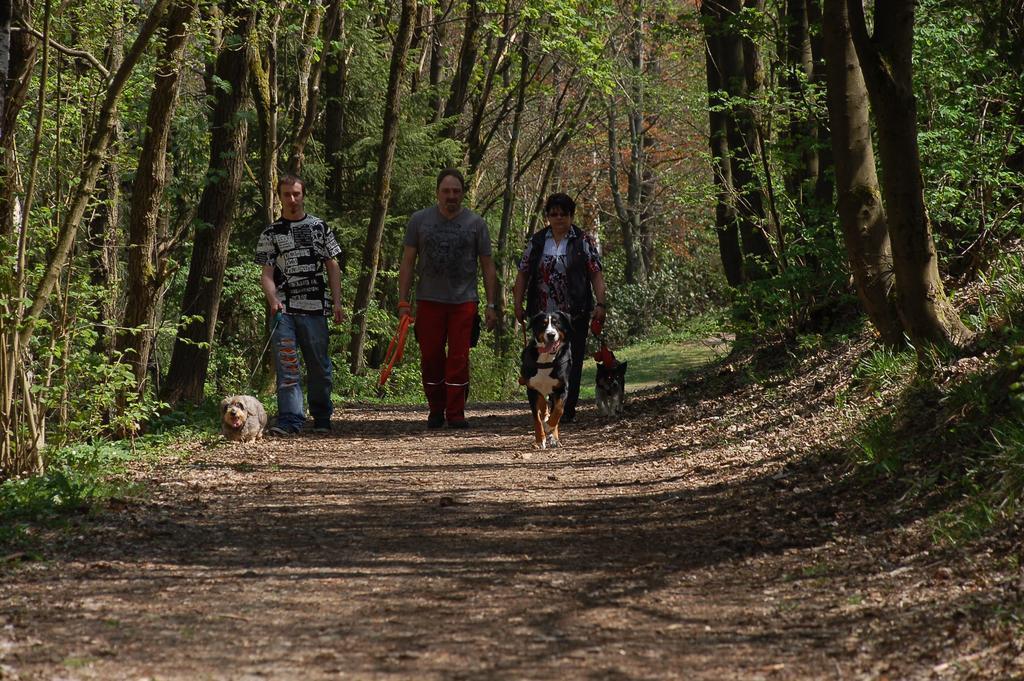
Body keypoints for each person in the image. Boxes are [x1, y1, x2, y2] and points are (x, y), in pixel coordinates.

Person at [398, 168, 498, 429]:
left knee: (458, 358)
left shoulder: (476, 224)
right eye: (446, 191)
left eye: (456, 191)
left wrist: (491, 304)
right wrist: (403, 301)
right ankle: (436, 409)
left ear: (463, 193)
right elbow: (408, 262)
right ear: (437, 193)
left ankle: (456, 413)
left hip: (464, 302)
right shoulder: (419, 221)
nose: (451, 196)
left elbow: (488, 266)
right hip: (428, 300)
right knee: (430, 356)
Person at [255, 175, 344, 436]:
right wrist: (273, 300)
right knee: (287, 365)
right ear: (280, 197)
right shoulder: (271, 233)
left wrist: (337, 302)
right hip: (285, 311)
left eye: (296, 194)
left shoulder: (320, 227)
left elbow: (333, 265)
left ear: (303, 195)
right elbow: (266, 274)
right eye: (287, 195)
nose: (292, 199)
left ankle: (322, 416)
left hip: (316, 309)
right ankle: (290, 420)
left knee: (319, 365)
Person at [513, 192, 607, 423]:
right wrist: (517, 303)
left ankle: (565, 408)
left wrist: (601, 303)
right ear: (547, 216)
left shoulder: (582, 241)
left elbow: (595, 274)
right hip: (542, 314)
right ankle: (541, 406)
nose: (559, 218)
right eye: (553, 214)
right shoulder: (537, 242)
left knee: (569, 361)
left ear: (571, 215)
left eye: (563, 214)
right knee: (542, 359)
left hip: (574, 314)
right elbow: (523, 273)